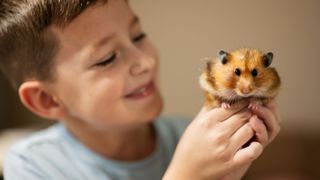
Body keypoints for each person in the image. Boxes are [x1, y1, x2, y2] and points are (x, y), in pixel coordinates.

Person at [0, 0, 280, 179]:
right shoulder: (31, 165)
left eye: (138, 36)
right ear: (47, 99)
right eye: (107, 58)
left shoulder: (193, 134)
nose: (145, 61)